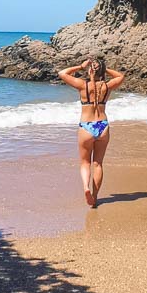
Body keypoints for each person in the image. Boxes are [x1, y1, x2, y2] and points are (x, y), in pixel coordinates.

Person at [57, 57, 125, 207]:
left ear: (90, 70)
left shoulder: (82, 85)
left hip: (86, 127)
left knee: (85, 163)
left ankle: (86, 187)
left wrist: (81, 66)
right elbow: (120, 76)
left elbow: (62, 73)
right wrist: (103, 68)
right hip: (103, 126)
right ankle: (95, 197)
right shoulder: (107, 87)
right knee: (98, 164)